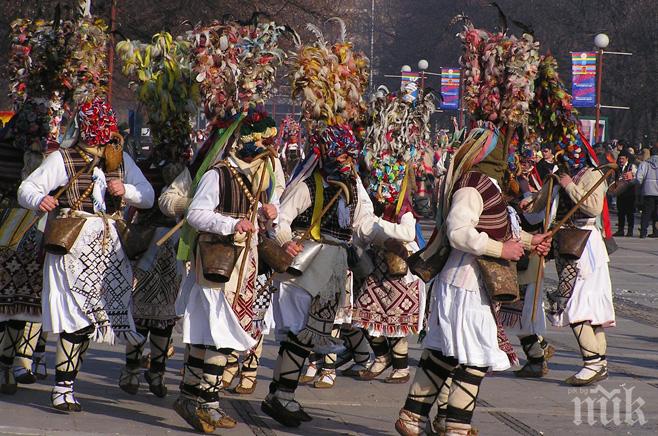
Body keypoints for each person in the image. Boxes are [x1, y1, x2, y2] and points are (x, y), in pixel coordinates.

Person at [396, 125, 551, 436]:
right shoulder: (472, 186)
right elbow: (458, 232)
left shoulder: (488, 185)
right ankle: (455, 426)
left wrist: (533, 241)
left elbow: (502, 227)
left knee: (445, 352)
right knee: (477, 356)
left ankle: (413, 416)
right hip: (464, 282)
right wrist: (501, 249)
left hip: (471, 283)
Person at [18, 97, 154, 411]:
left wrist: (127, 191)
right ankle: (62, 388)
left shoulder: (121, 161)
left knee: (89, 322)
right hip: (71, 244)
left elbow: (148, 195)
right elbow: (27, 187)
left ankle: (67, 385)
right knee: (73, 317)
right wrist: (40, 199)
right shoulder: (62, 159)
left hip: (107, 247)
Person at [174, 108, 279, 432]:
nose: (269, 149)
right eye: (264, 141)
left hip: (243, 269)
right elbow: (196, 214)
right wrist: (232, 223)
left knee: (215, 336)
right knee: (218, 333)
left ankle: (201, 401)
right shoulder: (217, 174)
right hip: (217, 264)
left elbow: (258, 221)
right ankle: (204, 401)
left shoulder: (258, 177)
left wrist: (266, 215)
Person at [540, 136, 615, 386]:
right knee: (583, 303)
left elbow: (593, 207)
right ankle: (599, 362)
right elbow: (549, 202)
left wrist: (570, 184)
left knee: (578, 303)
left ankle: (593, 362)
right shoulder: (562, 173)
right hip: (568, 242)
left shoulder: (592, 174)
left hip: (585, 244)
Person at [613, 150, 637, 237]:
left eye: (622, 159)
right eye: (620, 159)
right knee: (621, 212)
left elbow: (636, 178)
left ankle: (630, 231)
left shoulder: (632, 166)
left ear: (627, 158)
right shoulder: (617, 167)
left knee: (630, 213)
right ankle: (620, 230)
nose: (621, 160)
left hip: (629, 193)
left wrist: (630, 178)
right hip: (620, 193)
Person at [635, 145, 658, 238]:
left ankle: (643, 232)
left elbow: (639, 177)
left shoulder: (645, 163)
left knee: (646, 212)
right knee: (657, 213)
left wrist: (640, 186)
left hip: (648, 191)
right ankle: (656, 231)